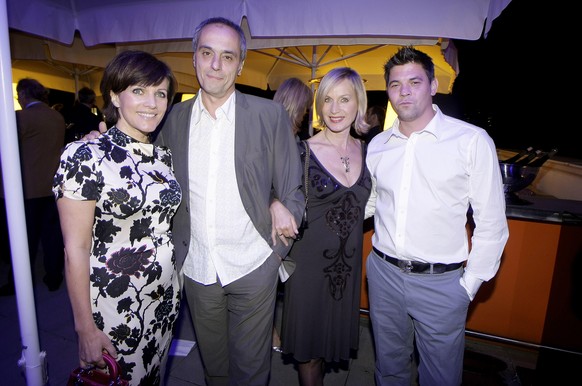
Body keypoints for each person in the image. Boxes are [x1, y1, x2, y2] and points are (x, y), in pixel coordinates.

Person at [154, 17, 305, 385]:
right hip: (199, 266)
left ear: (239, 64)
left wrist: (275, 253)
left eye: (227, 56)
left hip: (254, 263)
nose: (216, 65)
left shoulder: (269, 116)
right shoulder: (172, 118)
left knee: (251, 371)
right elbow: (151, 175)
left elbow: (292, 189)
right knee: (215, 368)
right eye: (207, 53)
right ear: (194, 59)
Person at [364, 46, 509, 385]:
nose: (405, 91)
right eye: (395, 84)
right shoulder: (378, 145)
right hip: (383, 275)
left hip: (442, 284)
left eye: (414, 82)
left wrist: (467, 287)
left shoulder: (471, 141)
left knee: (441, 379)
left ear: (433, 85)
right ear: (387, 90)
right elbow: (370, 202)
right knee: (389, 370)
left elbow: (491, 225)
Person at [53, 50, 182, 385]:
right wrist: (85, 328)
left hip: (163, 300)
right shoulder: (86, 155)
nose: (151, 103)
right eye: (138, 91)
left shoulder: (162, 158)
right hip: (114, 306)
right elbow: (75, 249)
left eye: (160, 93)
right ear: (113, 94)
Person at [271, 67, 372, 386]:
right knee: (310, 356)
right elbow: (267, 187)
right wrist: (273, 203)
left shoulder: (369, 151)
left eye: (344, 99)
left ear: (359, 103)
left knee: (328, 351)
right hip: (309, 271)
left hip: (347, 271)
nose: (335, 108)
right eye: (327, 99)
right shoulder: (300, 151)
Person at [0, 78, 66, 296]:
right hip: (52, 186)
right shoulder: (56, 116)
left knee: (23, 240)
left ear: (24, 94)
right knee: (52, 236)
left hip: (25, 188)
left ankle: (17, 283)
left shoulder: (20, 118)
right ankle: (54, 277)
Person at [270, 77, 314, 352]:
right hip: (271, 226)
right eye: (306, 106)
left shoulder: (292, 137)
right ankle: (268, 331)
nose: (308, 111)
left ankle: (269, 330)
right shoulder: (278, 136)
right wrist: (274, 201)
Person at [273, 77, 313, 141]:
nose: (305, 112)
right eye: (305, 107)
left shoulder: (263, 127)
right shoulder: (299, 139)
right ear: (298, 108)